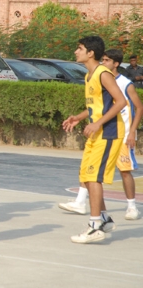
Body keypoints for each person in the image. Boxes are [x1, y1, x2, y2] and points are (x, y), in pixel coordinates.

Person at [60, 48, 142, 221]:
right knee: (88, 171)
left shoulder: (124, 83)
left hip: (118, 131)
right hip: (102, 131)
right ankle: (84, 204)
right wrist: (79, 117)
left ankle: (130, 207)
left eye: (107, 60)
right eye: (103, 59)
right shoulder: (95, 76)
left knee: (123, 171)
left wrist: (132, 131)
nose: (104, 62)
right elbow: (96, 107)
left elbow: (136, 106)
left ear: (116, 64)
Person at [62, 36, 126, 244]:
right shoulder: (89, 75)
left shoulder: (103, 74)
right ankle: (104, 219)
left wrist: (98, 123)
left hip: (108, 132)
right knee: (86, 176)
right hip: (97, 133)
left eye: (79, 48)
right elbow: (96, 106)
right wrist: (79, 117)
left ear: (91, 53)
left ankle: (95, 225)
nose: (76, 52)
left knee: (93, 178)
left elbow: (121, 102)